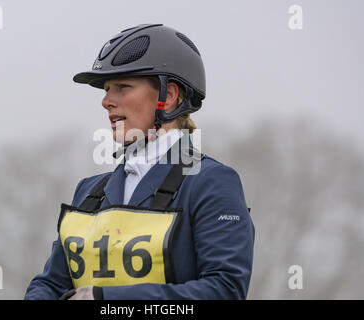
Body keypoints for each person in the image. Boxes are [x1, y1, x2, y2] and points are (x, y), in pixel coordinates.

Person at [24, 23, 255, 300]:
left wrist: (108, 301)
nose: (106, 101)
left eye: (122, 86)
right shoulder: (88, 191)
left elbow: (225, 291)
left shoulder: (211, 182)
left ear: (168, 97)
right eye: (107, 89)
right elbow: (49, 285)